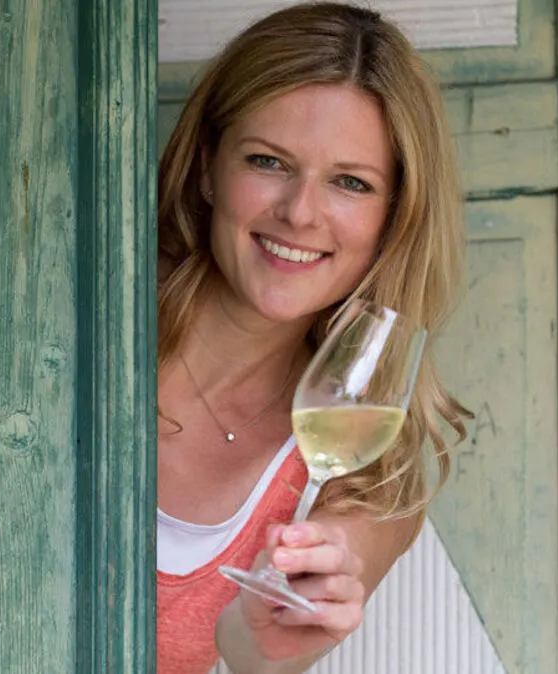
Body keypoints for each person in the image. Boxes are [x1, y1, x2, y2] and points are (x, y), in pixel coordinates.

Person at [154, 3, 473, 673]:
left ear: (394, 218)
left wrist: (276, 628)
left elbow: (254, 650)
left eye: (350, 183)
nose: (300, 213)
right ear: (209, 166)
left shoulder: (367, 478)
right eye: (268, 162)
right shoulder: (79, 329)